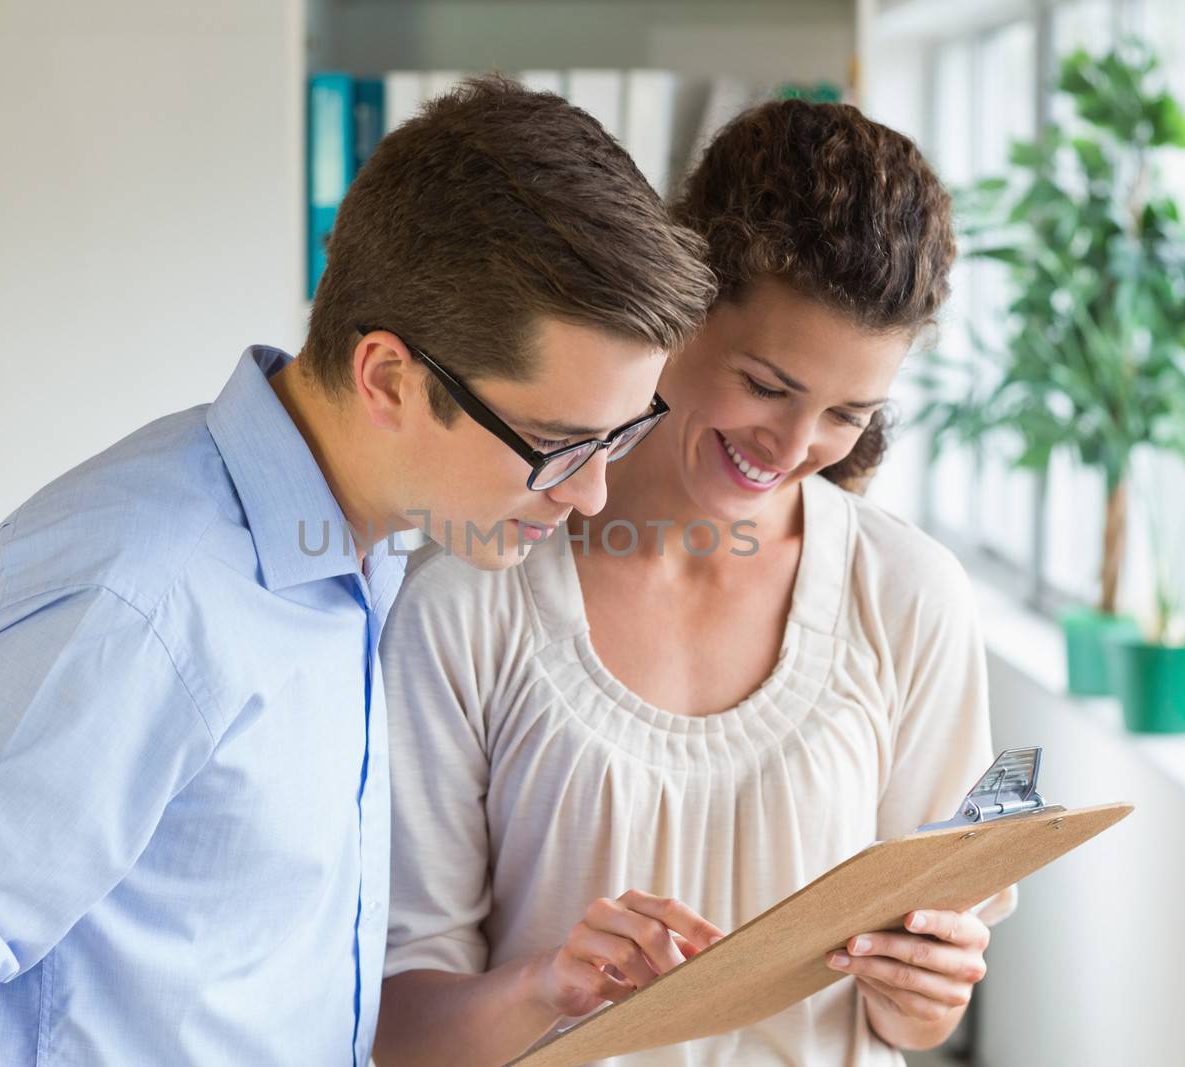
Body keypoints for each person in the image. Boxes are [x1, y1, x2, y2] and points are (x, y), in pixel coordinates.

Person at [0, 78, 715, 1066]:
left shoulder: (365, 547)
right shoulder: (141, 596)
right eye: (557, 444)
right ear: (388, 378)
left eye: (621, 436)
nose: (593, 494)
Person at [374, 98, 1014, 1067]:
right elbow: (399, 1028)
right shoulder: (470, 594)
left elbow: (915, 1019)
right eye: (765, 384)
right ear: (680, 309)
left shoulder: (910, 598)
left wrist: (925, 993)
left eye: (848, 411)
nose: (794, 448)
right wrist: (547, 985)